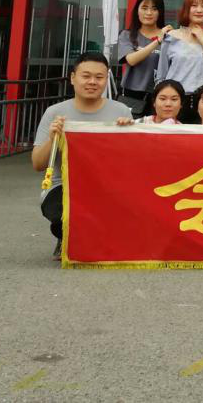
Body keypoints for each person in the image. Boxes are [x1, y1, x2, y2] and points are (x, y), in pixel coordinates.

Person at [32, 51, 132, 256]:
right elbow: (37, 164)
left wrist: (127, 135)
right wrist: (53, 138)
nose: (92, 82)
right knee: (62, 211)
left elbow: (131, 163)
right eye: (86, 76)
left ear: (107, 79)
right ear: (73, 78)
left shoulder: (121, 111)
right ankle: (65, 236)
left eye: (99, 77)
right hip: (63, 186)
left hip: (106, 187)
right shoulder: (55, 113)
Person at [115, 0, 172, 116]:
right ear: (137, 10)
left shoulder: (170, 37)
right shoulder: (127, 35)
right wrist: (157, 41)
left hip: (161, 96)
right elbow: (131, 60)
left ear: (160, 12)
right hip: (131, 96)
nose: (149, 13)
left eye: (154, 9)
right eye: (144, 8)